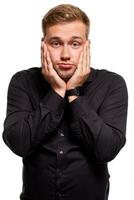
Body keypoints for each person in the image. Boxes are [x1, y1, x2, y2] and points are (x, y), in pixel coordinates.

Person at [2, 4, 128, 200]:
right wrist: (57, 90)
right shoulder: (23, 82)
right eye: (56, 43)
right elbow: (19, 143)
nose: (65, 55)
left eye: (75, 44)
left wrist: (74, 93)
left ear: (87, 46)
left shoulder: (112, 84)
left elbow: (107, 149)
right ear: (43, 45)